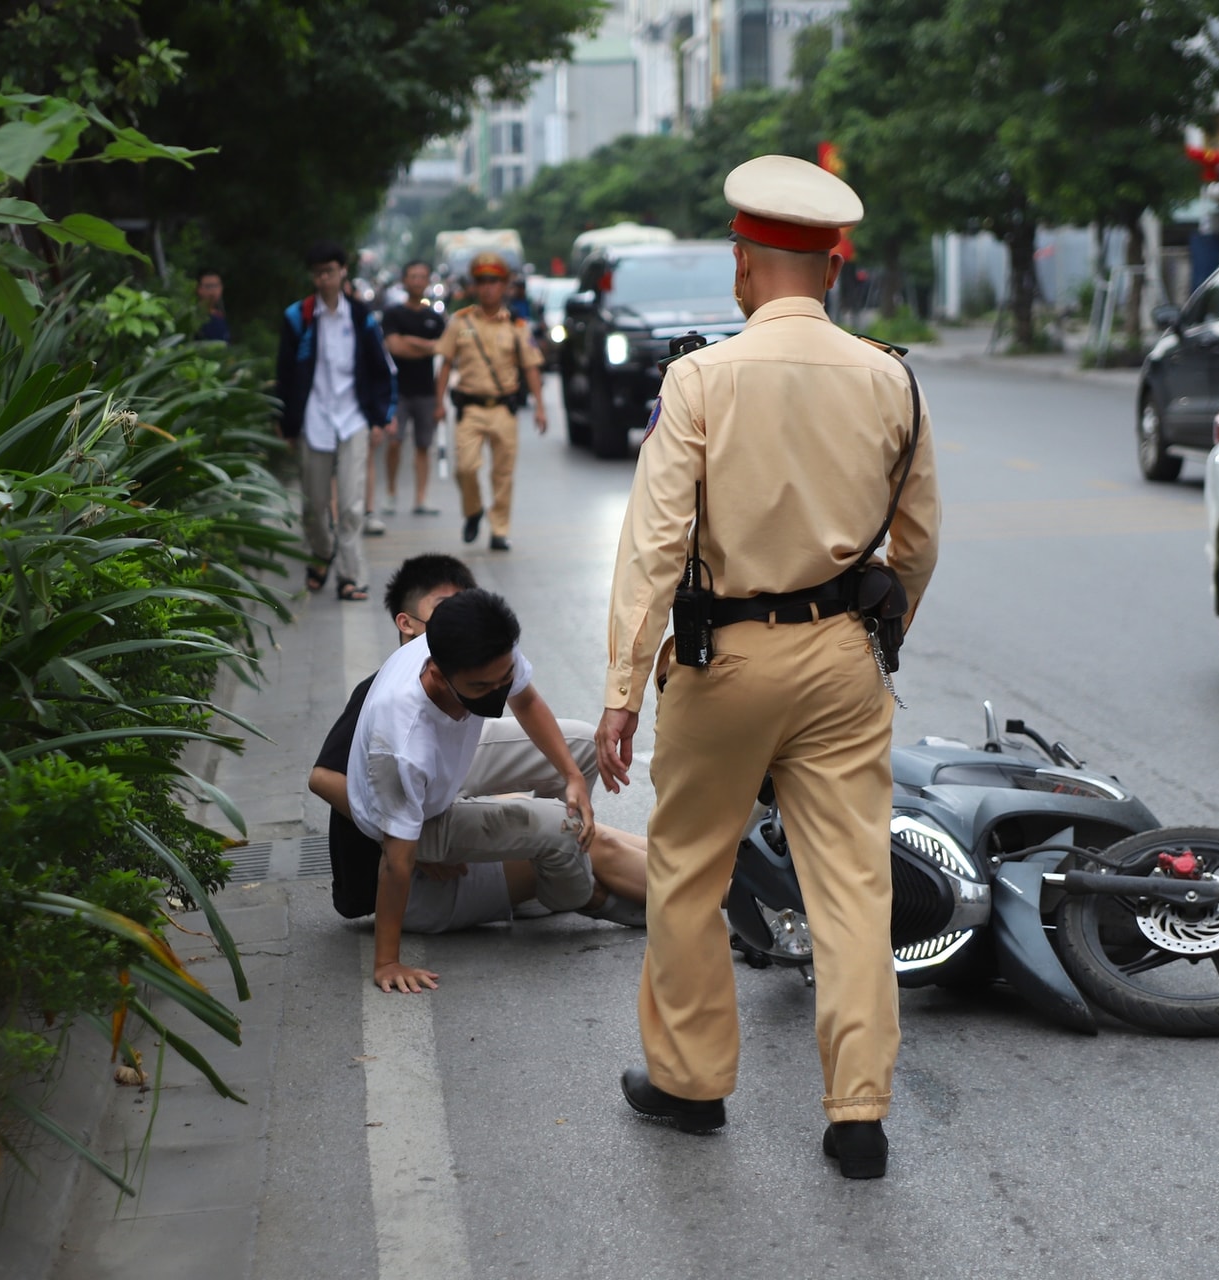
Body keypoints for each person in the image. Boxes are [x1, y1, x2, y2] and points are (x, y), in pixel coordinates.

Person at [595, 155, 940, 1177]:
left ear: (744, 265)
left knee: (687, 872)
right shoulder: (890, 376)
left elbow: (654, 548)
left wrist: (623, 690)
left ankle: (691, 1083)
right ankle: (858, 1115)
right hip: (842, 660)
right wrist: (879, 635)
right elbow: (916, 542)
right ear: (832, 268)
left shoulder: (702, 377)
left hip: (726, 661)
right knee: (853, 886)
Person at [310, 556, 649, 939]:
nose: (496, 691)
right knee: (578, 837)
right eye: (444, 607)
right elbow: (325, 781)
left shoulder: (484, 647)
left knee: (578, 785)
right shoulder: (398, 727)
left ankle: (685, 868)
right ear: (411, 626)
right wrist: (411, 845)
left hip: (437, 801)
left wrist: (569, 776)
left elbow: (526, 701)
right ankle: (684, 897)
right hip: (412, 883)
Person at [275, 242, 396, 602]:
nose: (323, 279)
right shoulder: (298, 316)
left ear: (343, 271)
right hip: (313, 420)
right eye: (318, 273)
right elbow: (284, 374)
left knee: (350, 505)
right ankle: (322, 552)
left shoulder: (361, 317)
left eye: (329, 271)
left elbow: (381, 369)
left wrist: (380, 419)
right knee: (313, 506)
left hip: (353, 419)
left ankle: (350, 575)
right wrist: (286, 423)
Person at [434, 252, 545, 553]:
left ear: (505, 286)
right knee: (465, 468)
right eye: (482, 282)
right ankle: (473, 511)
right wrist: (439, 403)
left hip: (503, 409)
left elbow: (531, 367)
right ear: (474, 286)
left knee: (503, 474)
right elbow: (445, 362)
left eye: (494, 282)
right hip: (469, 408)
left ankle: (499, 530)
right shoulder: (460, 322)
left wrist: (540, 407)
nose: (488, 288)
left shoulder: (517, 326)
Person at [381, 260, 448, 518]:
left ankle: (421, 498)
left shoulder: (434, 318)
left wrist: (410, 341)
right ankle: (390, 493)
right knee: (394, 442)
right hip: (397, 391)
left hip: (426, 391)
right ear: (405, 280)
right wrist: (427, 347)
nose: (418, 281)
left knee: (423, 445)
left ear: (428, 281)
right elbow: (394, 347)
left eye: (422, 276)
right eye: (413, 276)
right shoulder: (393, 314)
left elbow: (443, 349)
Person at [194, 268, 231, 343]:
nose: (213, 290)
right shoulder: (194, 316)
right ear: (199, 289)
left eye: (216, 286)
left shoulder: (219, 315)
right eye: (208, 286)